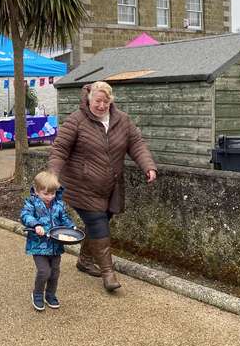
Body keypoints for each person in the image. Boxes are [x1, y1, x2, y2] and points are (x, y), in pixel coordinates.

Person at [48, 81, 157, 292]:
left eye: (105, 102)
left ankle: (85, 260)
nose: (101, 105)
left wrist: (148, 166)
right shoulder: (76, 120)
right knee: (98, 222)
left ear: (111, 101)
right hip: (82, 185)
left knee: (102, 219)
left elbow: (136, 143)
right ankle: (108, 273)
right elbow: (60, 149)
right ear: (89, 98)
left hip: (111, 185)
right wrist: (52, 174)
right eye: (98, 101)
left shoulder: (122, 120)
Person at [20, 171, 76, 311]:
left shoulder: (58, 204)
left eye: (53, 193)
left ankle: (50, 295)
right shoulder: (31, 203)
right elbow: (25, 215)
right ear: (37, 191)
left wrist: (71, 227)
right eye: (46, 194)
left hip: (55, 246)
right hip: (38, 245)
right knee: (44, 271)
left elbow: (64, 218)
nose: (50, 197)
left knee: (55, 272)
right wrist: (36, 225)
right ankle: (37, 294)